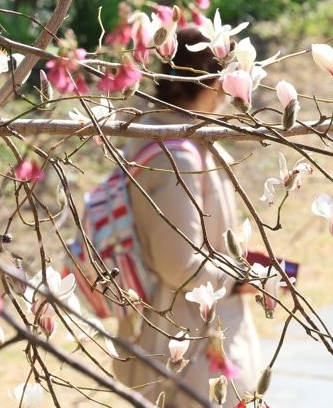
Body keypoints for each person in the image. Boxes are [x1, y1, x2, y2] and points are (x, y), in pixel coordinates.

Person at [106, 26, 263, 407]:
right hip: (188, 346)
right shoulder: (175, 155)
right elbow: (180, 267)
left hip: (200, 335)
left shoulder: (175, 137)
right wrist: (244, 275)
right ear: (215, 81)